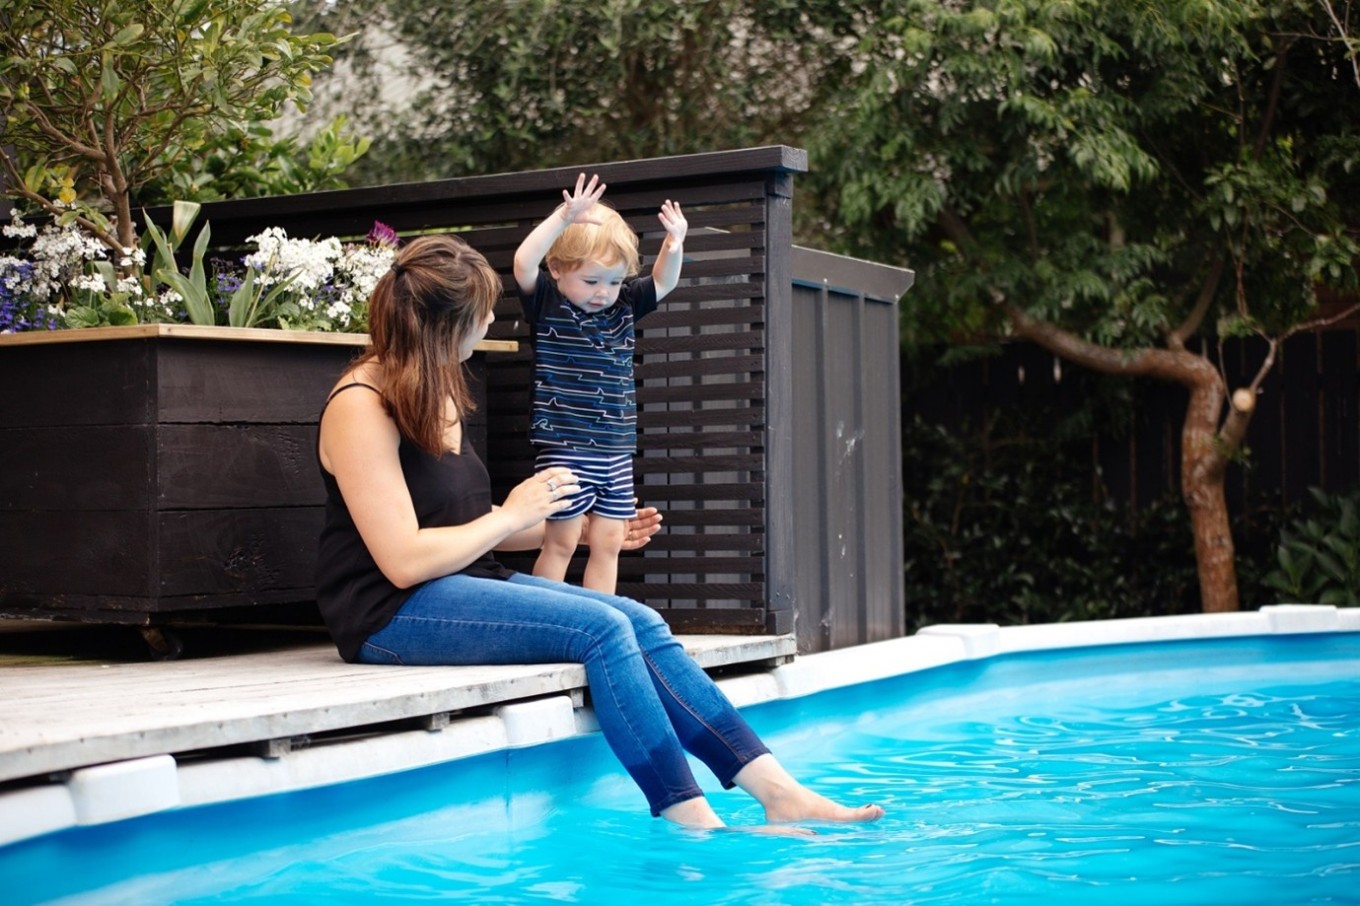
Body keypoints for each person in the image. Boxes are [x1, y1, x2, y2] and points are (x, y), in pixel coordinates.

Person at [315, 232, 884, 831]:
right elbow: (404, 559)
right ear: (441, 328)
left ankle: (776, 789)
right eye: (480, 312)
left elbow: (465, 532)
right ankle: (686, 812)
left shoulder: (437, 389)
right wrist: (512, 513)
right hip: (388, 612)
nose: (489, 320)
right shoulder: (361, 406)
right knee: (603, 626)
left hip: (458, 585)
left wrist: (583, 535)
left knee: (641, 620)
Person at [512, 173, 681, 594]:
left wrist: (673, 244)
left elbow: (664, 280)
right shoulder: (548, 303)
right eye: (591, 281)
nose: (603, 292)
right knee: (562, 539)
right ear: (557, 269)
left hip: (615, 448)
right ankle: (544, 617)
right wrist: (562, 218)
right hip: (565, 446)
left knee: (609, 542)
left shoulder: (623, 307)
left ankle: (600, 616)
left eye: (614, 281)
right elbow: (522, 263)